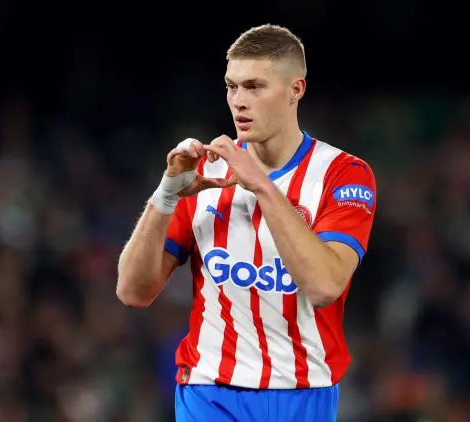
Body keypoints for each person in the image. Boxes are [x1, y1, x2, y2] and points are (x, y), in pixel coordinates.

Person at [116, 24, 377, 421]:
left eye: (255, 87)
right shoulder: (206, 172)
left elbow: (325, 285)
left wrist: (261, 187)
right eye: (231, 87)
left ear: (296, 89)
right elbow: (133, 291)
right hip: (208, 390)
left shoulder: (344, 175)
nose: (239, 101)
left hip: (302, 392)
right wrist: (165, 195)